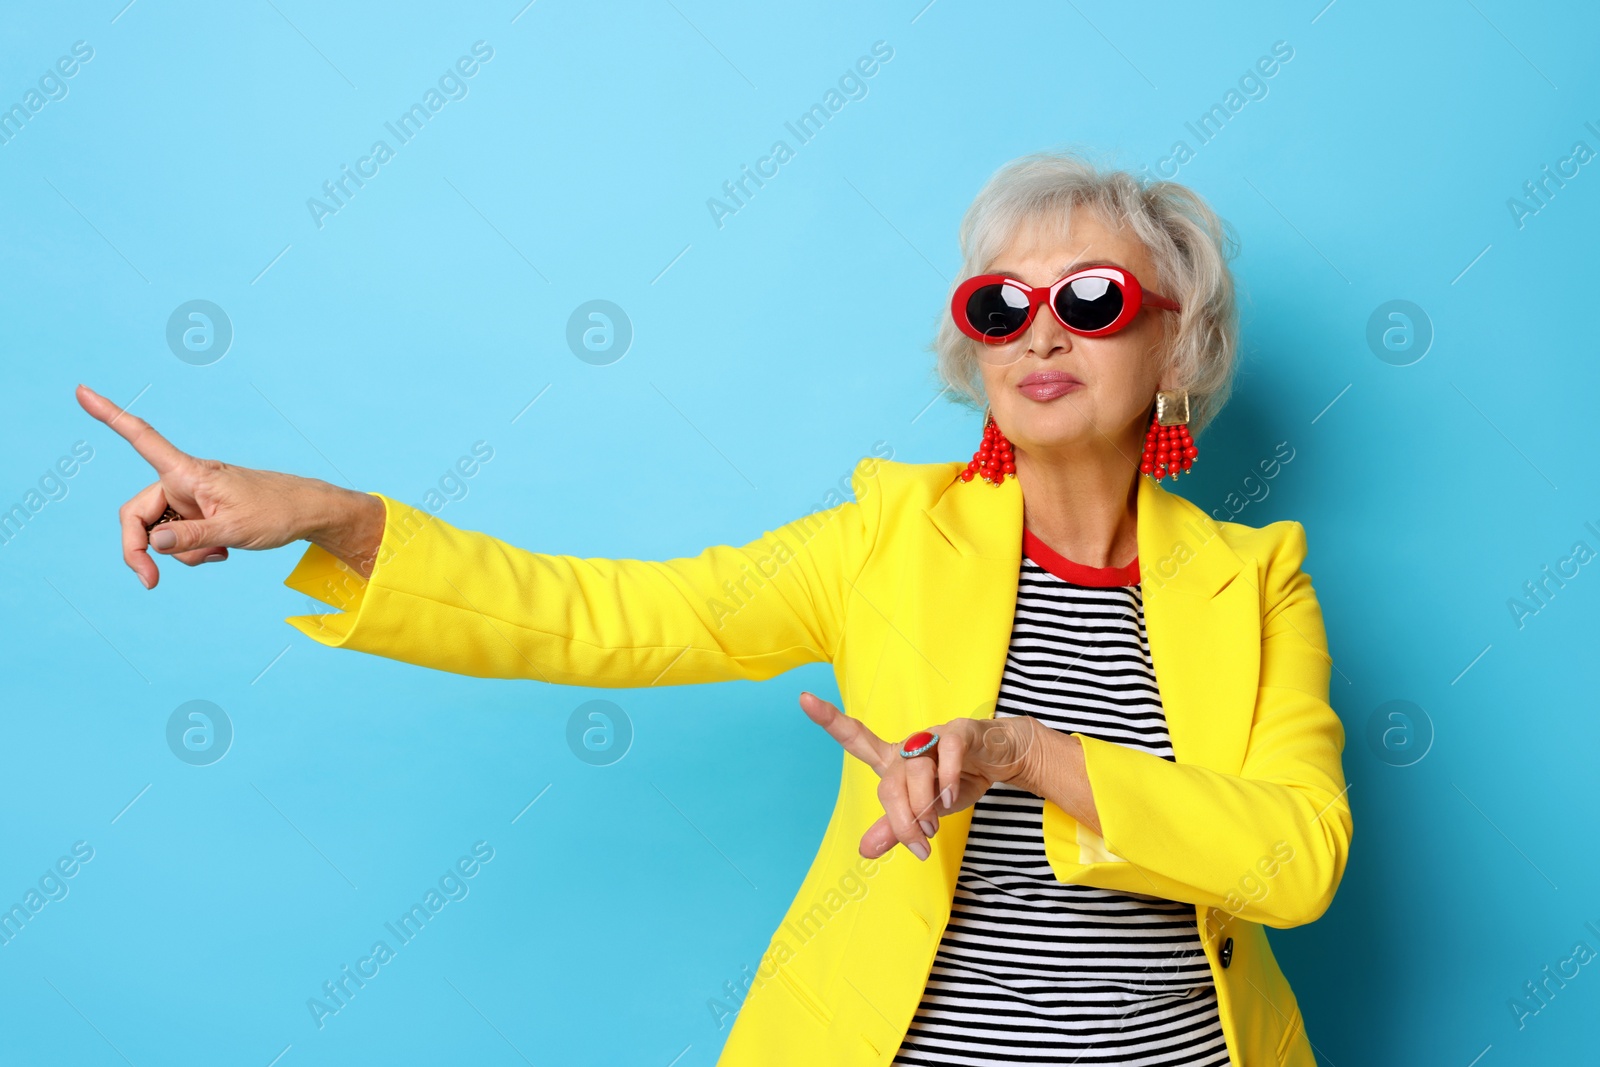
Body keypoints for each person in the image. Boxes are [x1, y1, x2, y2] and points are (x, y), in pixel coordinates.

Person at [77, 149, 1351, 1066]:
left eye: (1090, 300)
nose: (1039, 333)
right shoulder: (882, 541)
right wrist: (343, 518)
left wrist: (1027, 752)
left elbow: (1293, 862)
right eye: (999, 306)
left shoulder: (1256, 579)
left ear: (1176, 351)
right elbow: (608, 615)